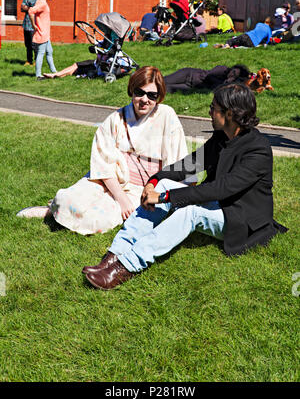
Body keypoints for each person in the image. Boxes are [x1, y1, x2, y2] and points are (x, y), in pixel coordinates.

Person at [82, 83, 288, 290]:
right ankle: (115, 254)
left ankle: (126, 266)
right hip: (218, 202)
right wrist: (154, 181)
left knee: (190, 212)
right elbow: (190, 165)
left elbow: (221, 189)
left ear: (230, 113)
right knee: (163, 184)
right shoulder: (221, 137)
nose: (209, 112)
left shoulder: (258, 150)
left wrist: (164, 198)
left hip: (239, 216)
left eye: (213, 108)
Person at [17, 67, 188, 235]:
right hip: (109, 180)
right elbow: (103, 164)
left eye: (152, 95)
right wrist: (121, 198)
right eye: (139, 92)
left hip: (143, 187)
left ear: (159, 97)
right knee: (67, 200)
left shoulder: (167, 116)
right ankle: (53, 208)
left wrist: (175, 196)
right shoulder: (116, 118)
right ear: (132, 91)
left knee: (99, 219)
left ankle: (60, 214)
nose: (145, 99)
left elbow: (180, 160)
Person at [28, 0, 57, 80]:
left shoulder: (41, 1)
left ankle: (54, 72)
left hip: (45, 33)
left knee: (49, 51)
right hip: (42, 33)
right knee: (41, 53)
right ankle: (38, 75)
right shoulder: (42, 3)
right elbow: (31, 11)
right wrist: (33, 25)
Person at [164, 64, 251, 94]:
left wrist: (227, 82)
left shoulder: (227, 84)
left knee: (167, 88)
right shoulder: (222, 69)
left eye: (235, 75)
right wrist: (224, 82)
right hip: (188, 74)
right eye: (234, 71)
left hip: (191, 85)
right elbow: (209, 76)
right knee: (164, 81)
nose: (232, 74)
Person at [21, 0, 40, 66]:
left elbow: (38, 9)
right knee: (27, 44)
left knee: (34, 44)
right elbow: (22, 8)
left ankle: (37, 61)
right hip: (26, 24)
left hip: (34, 25)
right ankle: (29, 60)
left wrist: (28, 8)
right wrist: (31, 9)